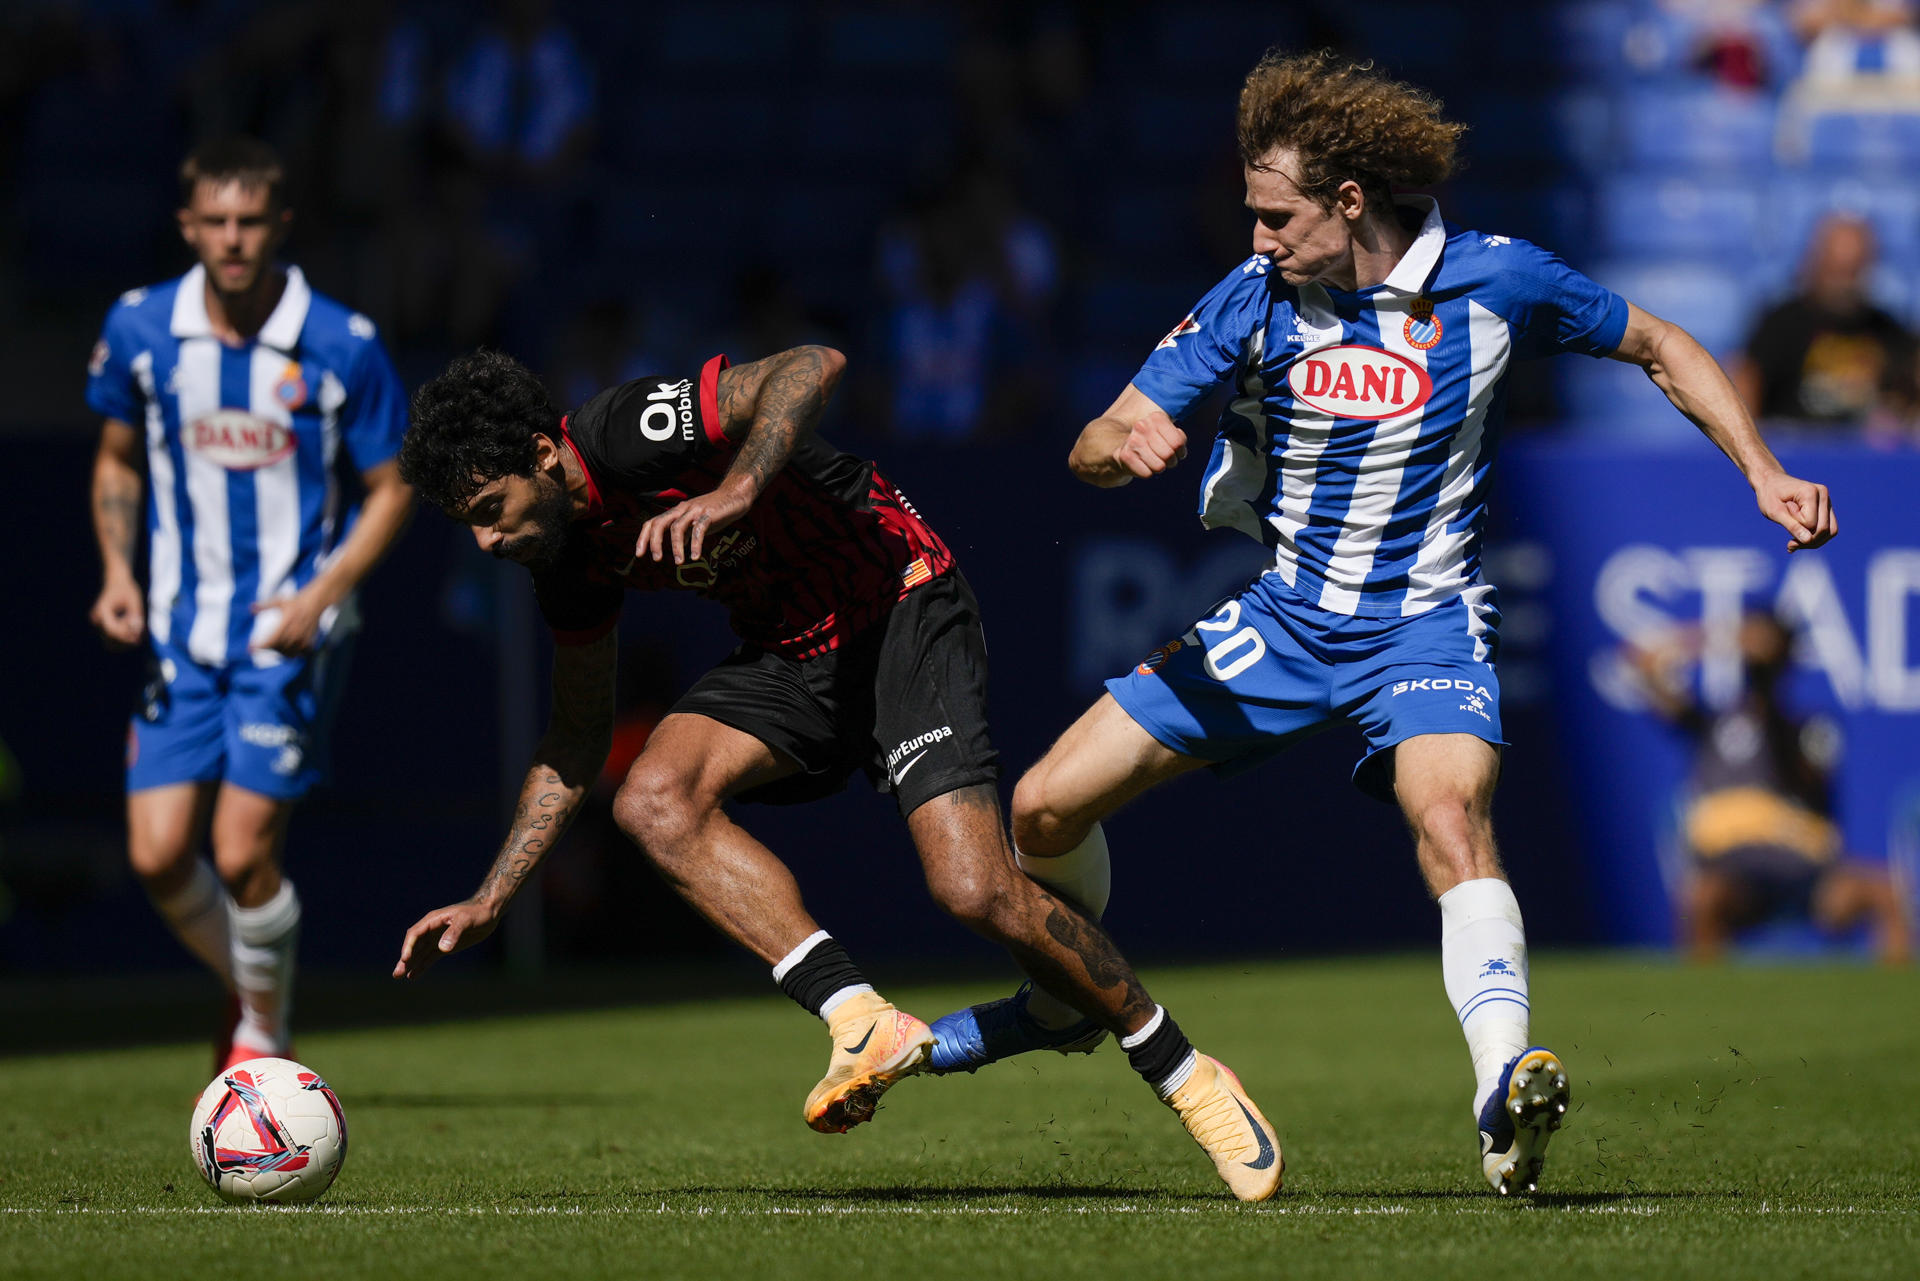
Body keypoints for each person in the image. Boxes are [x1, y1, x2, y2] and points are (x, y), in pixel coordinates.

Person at [926, 49, 1840, 1197]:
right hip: (1282, 621)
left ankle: (1504, 1090)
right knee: (1043, 808)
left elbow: (1657, 343)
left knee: (1449, 815)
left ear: (1348, 202)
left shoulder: (1500, 282)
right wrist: (1124, 450)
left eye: (1275, 216)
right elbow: (1097, 438)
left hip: (1426, 625)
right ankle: (1069, 998)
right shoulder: (1252, 296)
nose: (1256, 238)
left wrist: (1760, 470)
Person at [389, 345, 1283, 1201]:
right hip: (790, 656)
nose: (483, 539)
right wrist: (493, 897)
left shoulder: (626, 431)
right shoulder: (565, 560)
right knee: (652, 798)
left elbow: (814, 365)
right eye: (466, 520)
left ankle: (1185, 1071)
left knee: (972, 890)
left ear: (544, 454)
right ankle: (860, 1016)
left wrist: (739, 484)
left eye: (488, 506)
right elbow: (577, 735)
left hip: (899, 599)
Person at [85, 137, 414, 1070]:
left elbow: (393, 483)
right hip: (181, 632)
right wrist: (118, 574)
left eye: (249, 222)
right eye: (215, 222)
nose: (232, 240)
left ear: (280, 226)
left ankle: (262, 1035)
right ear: (188, 225)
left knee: (238, 854)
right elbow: (115, 458)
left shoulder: (340, 341)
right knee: (154, 857)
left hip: (285, 634)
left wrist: (325, 590)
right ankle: (256, 978)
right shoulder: (142, 326)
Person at [1628, 614, 1911, 964]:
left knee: (1885, 893)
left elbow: (1808, 777)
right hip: (1737, 875)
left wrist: (1768, 695)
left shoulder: (1811, 728)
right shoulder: (1711, 724)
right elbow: (1641, 663)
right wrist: (1721, 640)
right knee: (1703, 899)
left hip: (1808, 878)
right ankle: (1706, 1010)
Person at [1731, 213, 1917, 427]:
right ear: (1815, 261)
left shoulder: (1885, 328)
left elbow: (1907, 391)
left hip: (1865, 454)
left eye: (1853, 270)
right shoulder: (1782, 322)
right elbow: (1748, 382)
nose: (1844, 283)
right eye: (1836, 269)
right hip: (1794, 450)